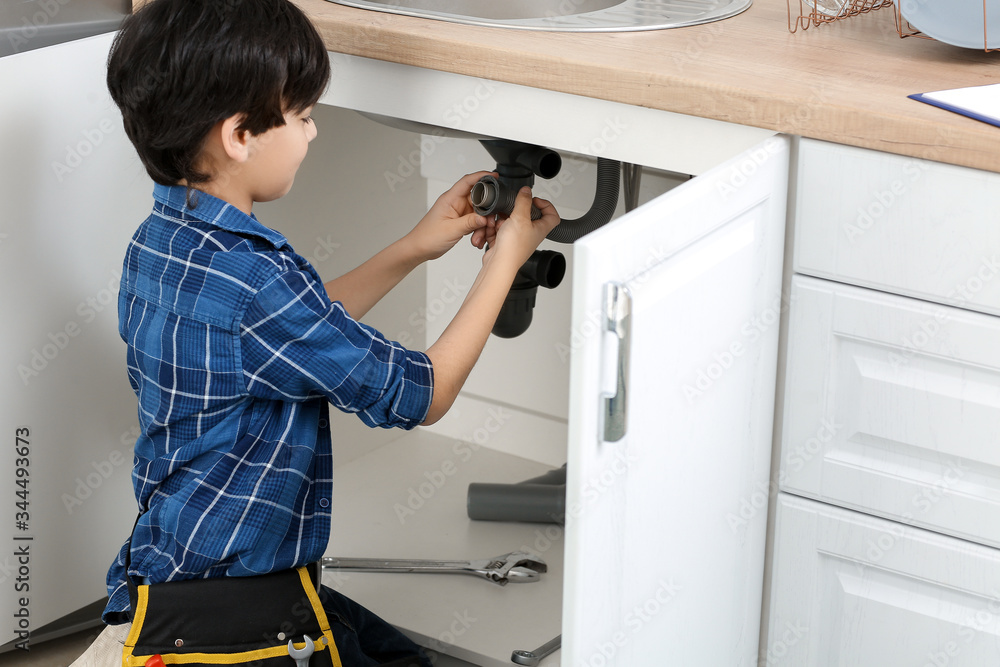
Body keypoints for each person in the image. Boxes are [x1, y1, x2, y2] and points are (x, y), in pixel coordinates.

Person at [95, 0, 560, 665]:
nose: (313, 134)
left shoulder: (159, 243)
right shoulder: (258, 280)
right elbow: (423, 393)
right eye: (304, 117)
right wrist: (506, 259)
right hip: (238, 610)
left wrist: (415, 245)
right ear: (239, 135)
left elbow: (294, 334)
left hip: (170, 567)